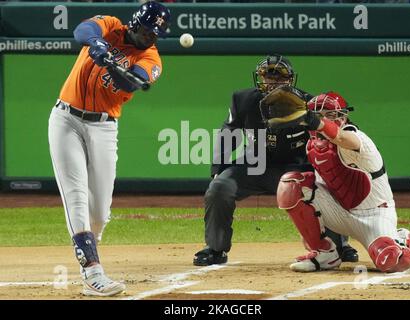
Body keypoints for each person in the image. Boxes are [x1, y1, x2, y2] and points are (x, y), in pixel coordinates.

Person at [48, 1, 170, 296]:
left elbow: (131, 82)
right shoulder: (112, 25)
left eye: (155, 34)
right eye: (147, 30)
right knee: (76, 196)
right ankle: (92, 270)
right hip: (66, 119)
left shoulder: (152, 58)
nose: (149, 37)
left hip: (103, 127)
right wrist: (97, 44)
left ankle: (89, 253)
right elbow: (83, 29)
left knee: (100, 212)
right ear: (135, 23)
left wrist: (108, 63)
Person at [193, 54, 358, 266]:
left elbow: (339, 130)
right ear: (259, 78)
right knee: (219, 187)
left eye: (279, 77)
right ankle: (215, 249)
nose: (273, 82)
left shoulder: (308, 103)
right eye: (267, 76)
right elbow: (229, 132)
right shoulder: (243, 99)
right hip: (256, 164)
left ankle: (339, 244)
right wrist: (218, 168)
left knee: (329, 185)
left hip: (298, 166)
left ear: (290, 79)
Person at [276, 90, 410, 272]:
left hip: (375, 215)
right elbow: (323, 185)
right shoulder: (312, 146)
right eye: (318, 115)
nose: (324, 119)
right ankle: (325, 255)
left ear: (343, 117)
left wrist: (318, 122)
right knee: (290, 184)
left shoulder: (357, 139)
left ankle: (406, 240)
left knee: (393, 260)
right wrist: (310, 230)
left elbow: (340, 137)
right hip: (341, 212)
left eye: (330, 115)